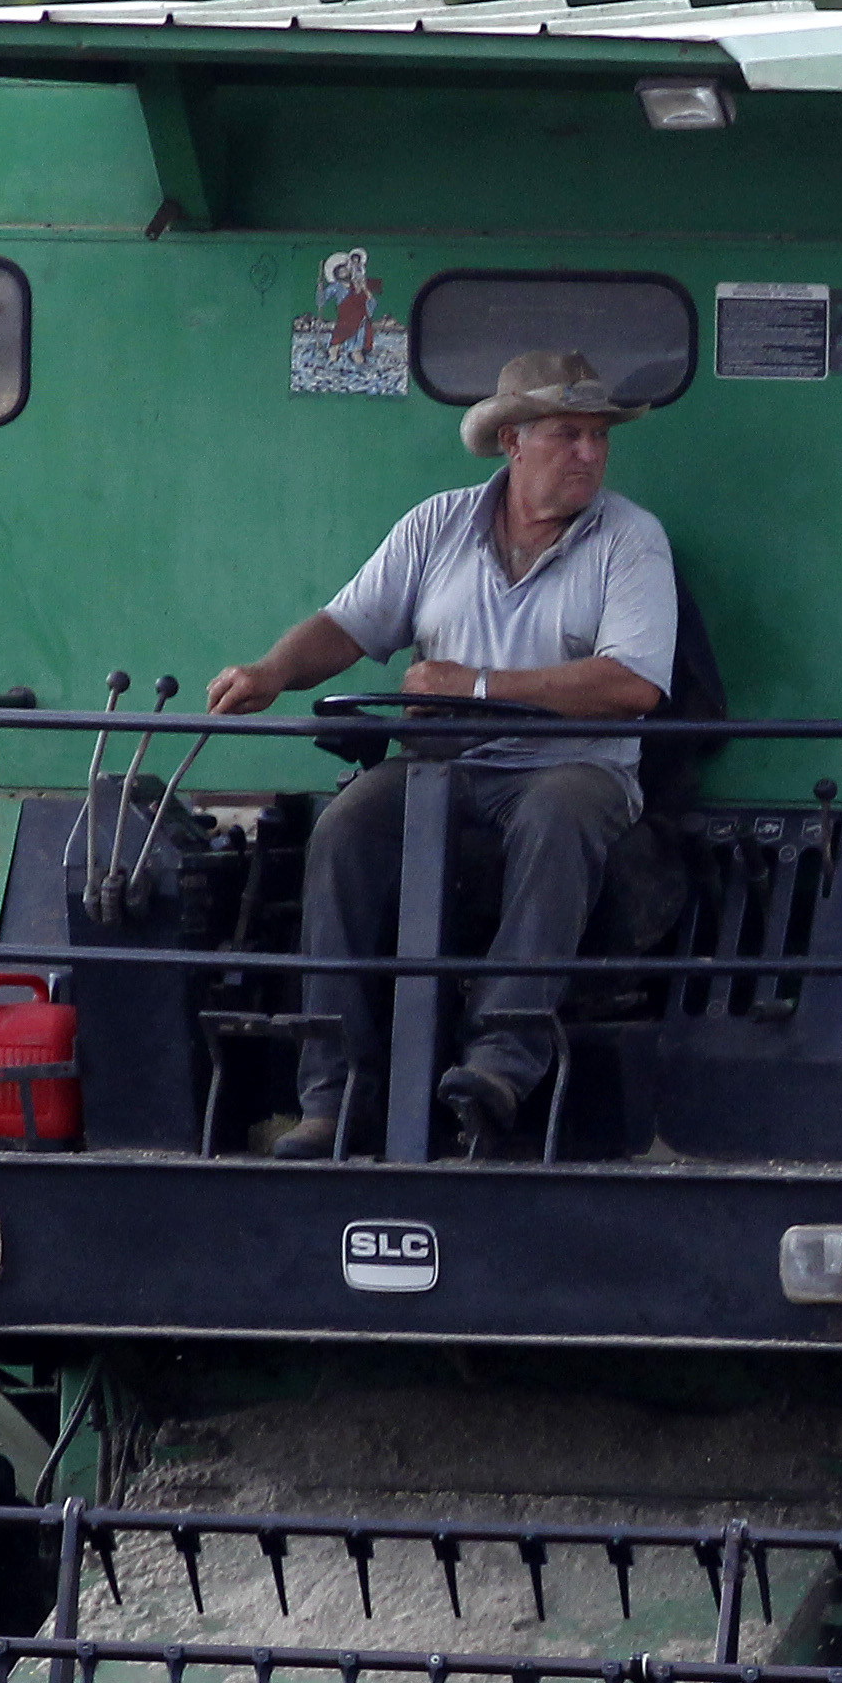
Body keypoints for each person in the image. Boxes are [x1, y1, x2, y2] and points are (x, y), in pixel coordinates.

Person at [209, 349, 677, 1156]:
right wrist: (270, 672)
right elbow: (349, 624)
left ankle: (499, 1066)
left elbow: (632, 685)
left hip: (574, 766)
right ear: (513, 442)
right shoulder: (436, 524)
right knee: (347, 826)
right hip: (442, 765)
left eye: (599, 437)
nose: (589, 453)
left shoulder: (631, 540)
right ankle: (335, 1096)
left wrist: (478, 686)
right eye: (568, 434)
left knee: (561, 812)